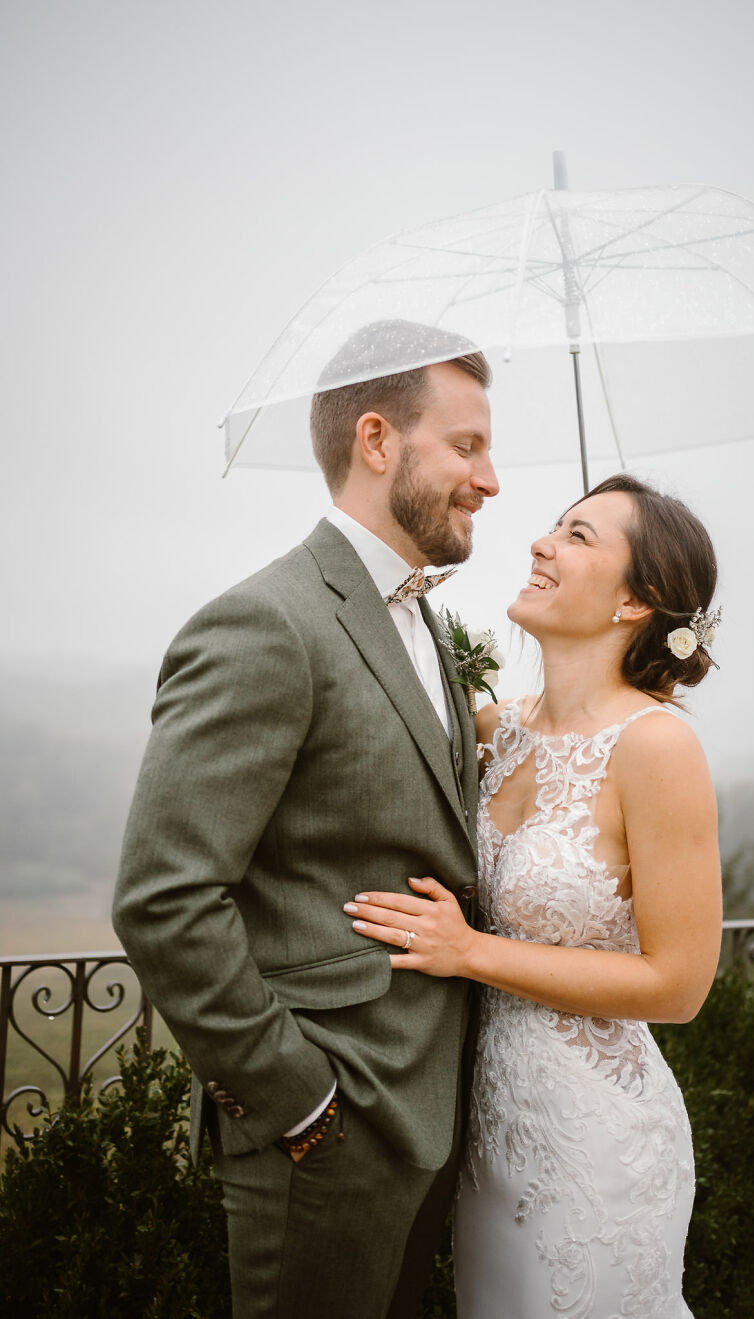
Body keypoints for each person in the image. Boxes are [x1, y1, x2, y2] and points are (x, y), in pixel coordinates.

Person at [112, 319, 499, 1319]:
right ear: (378, 440)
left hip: (435, 1119)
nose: (490, 479)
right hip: (331, 1135)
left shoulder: (423, 621)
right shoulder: (265, 624)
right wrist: (302, 1101)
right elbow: (165, 897)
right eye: (467, 445)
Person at [344, 473, 723, 1318]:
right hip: (486, 1134)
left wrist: (469, 950)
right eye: (554, 525)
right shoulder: (495, 731)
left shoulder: (656, 748)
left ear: (639, 600)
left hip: (597, 1143)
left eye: (580, 535)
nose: (542, 542)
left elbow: (680, 984)